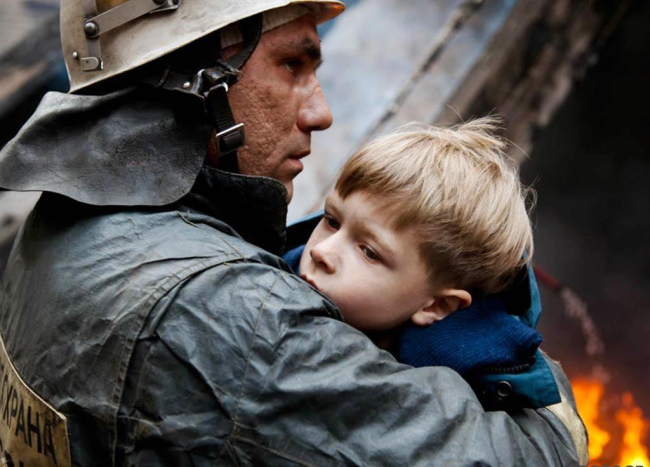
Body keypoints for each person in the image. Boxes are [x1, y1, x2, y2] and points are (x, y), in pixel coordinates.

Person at [0, 1, 588, 466]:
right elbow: (529, 455)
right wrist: (506, 340)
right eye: (292, 65)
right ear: (197, 80)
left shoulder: (61, 218)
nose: (320, 112)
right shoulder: (243, 317)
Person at [286, 118, 564, 409]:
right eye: (332, 221)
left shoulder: (444, 408)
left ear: (436, 306)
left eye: (369, 252)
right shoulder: (271, 266)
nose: (321, 251)